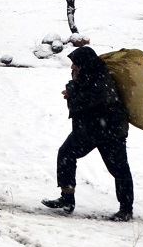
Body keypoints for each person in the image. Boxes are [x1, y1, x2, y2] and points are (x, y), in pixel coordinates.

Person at [42, 45, 134, 221]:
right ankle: (67, 198)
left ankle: (126, 209)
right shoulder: (85, 77)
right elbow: (77, 99)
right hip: (89, 130)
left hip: (110, 132)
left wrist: (72, 93)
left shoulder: (101, 80)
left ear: (84, 64)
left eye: (75, 64)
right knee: (66, 153)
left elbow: (82, 104)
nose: (72, 67)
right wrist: (72, 89)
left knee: (119, 169)